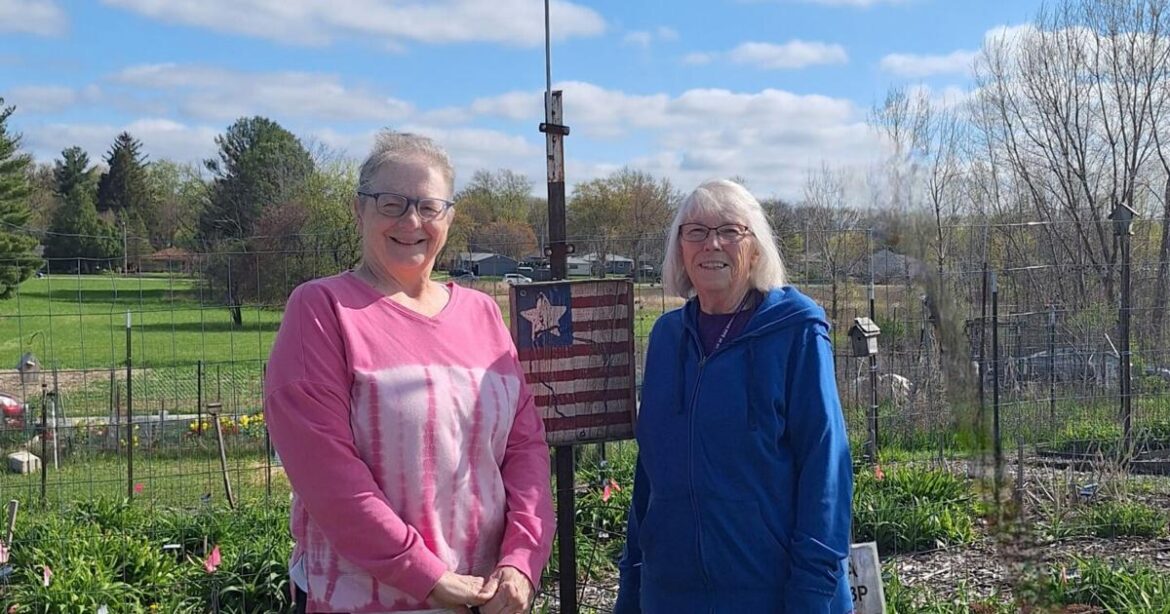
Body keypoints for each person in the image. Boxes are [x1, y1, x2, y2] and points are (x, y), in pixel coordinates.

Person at [265, 131, 555, 614]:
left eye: (428, 206)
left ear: (449, 218)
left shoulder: (481, 313)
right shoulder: (322, 310)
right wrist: (430, 577)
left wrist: (521, 561)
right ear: (359, 210)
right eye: (392, 203)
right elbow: (329, 480)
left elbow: (525, 447)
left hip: (485, 600)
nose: (411, 221)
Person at [613, 179, 854, 613]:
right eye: (696, 232)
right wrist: (632, 583)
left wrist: (812, 594)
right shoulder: (668, 338)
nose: (712, 244)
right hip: (671, 593)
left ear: (756, 247)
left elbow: (826, 467)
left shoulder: (796, 330)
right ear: (681, 251)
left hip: (772, 592)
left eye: (730, 230)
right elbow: (651, 473)